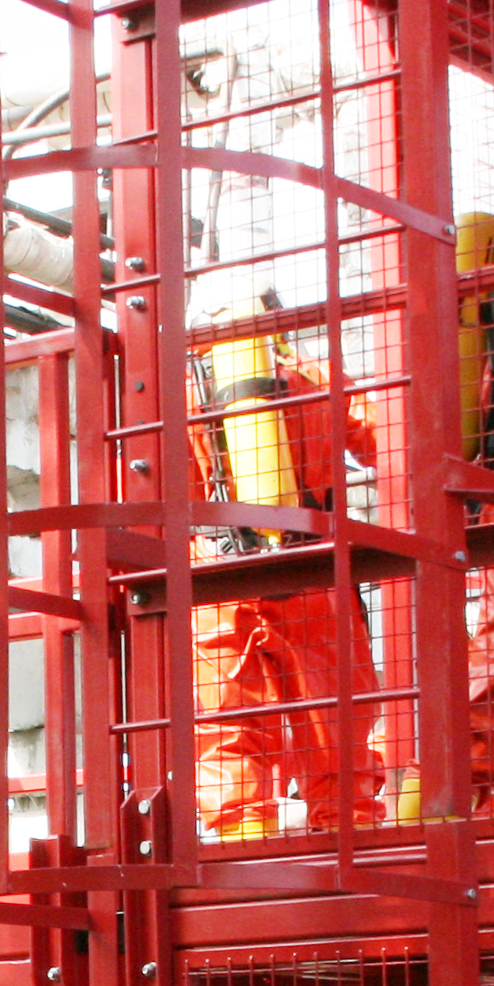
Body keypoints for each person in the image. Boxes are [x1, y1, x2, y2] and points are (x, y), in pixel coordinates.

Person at [186, 298, 384, 840]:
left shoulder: (183, 392)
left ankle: (241, 851)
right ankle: (354, 842)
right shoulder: (318, 378)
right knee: (338, 728)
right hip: (312, 575)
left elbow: (155, 493)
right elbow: (384, 439)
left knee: (229, 730)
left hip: (218, 581)